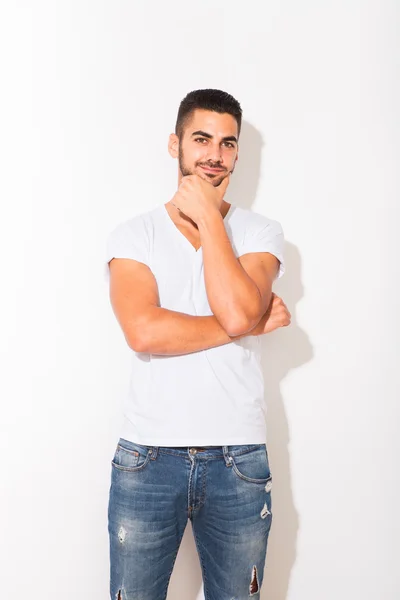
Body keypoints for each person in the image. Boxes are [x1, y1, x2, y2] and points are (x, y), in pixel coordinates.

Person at [104, 88, 291, 600]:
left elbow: (233, 309)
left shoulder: (259, 232)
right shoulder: (134, 235)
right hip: (146, 459)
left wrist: (210, 216)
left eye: (228, 144)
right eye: (202, 139)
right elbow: (144, 331)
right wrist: (247, 324)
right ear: (175, 144)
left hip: (239, 458)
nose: (215, 154)